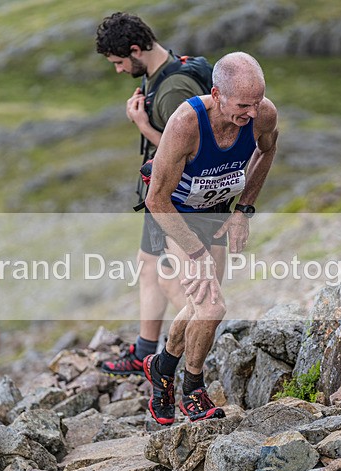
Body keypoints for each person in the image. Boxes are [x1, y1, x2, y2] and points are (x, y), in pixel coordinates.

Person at [143, 52, 279, 424]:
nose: (252, 113)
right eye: (242, 105)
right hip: (175, 217)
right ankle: (193, 388)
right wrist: (195, 250)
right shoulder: (186, 124)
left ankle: (162, 367)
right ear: (216, 94)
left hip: (216, 215)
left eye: (257, 102)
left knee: (200, 304)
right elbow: (156, 199)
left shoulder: (263, 114)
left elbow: (267, 151)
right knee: (213, 307)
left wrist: (243, 210)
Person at [95, 12, 212, 375]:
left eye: (118, 62)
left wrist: (143, 125)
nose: (117, 70)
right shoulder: (163, 72)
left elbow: (196, 152)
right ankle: (145, 350)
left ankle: (203, 351)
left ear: (135, 50)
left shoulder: (174, 88)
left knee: (169, 278)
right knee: (147, 266)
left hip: (175, 199)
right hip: (161, 192)